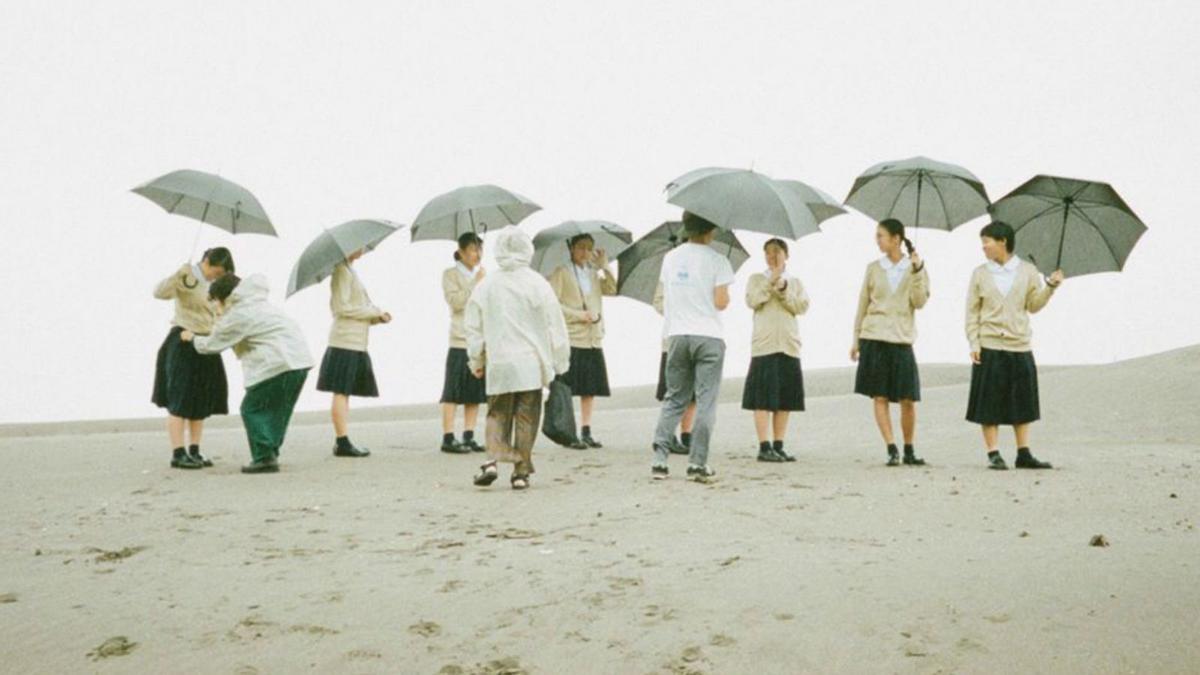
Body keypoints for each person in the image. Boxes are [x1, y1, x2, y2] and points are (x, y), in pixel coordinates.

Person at [464, 229, 570, 491]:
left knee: (497, 414)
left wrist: (476, 358)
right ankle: (521, 472)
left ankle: (491, 461)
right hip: (530, 363)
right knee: (527, 418)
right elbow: (555, 325)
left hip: (499, 361)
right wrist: (560, 361)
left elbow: (473, 326)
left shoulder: (486, 284)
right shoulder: (538, 283)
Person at [183, 274, 314, 474]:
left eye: (215, 301)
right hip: (299, 361)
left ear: (223, 298)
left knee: (251, 409)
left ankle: (264, 457)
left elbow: (211, 345)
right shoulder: (256, 303)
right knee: (278, 411)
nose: (214, 307)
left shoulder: (239, 313)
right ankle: (270, 452)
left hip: (279, 363)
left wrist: (192, 338)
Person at [964, 221, 1064, 470]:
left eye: (986, 242)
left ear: (1002, 241)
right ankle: (993, 453)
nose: (983, 247)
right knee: (989, 403)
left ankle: (1023, 453)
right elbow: (971, 312)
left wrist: (1050, 287)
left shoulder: (1028, 271)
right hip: (989, 345)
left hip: (1019, 344)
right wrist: (974, 343)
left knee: (1022, 402)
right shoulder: (980, 273)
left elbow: (1033, 306)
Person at [651, 211, 735, 483]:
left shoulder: (670, 258)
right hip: (708, 335)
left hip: (677, 334)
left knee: (674, 398)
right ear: (710, 230)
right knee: (706, 401)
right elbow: (721, 302)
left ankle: (660, 460)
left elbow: (669, 293)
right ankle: (697, 463)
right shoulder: (719, 260)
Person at [850, 219, 930, 467]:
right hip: (874, 336)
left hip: (901, 338)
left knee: (908, 399)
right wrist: (856, 339)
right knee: (880, 396)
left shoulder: (915, 267)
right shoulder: (873, 268)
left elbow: (919, 301)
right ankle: (891, 447)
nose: (878, 240)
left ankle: (909, 448)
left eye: (881, 236)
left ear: (896, 239)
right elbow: (863, 303)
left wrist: (917, 271)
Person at [151, 247, 235, 470]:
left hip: (206, 343)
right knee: (179, 399)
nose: (215, 276)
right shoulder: (186, 276)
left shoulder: (215, 285)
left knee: (200, 401)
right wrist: (178, 275)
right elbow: (159, 293)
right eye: (214, 271)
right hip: (183, 339)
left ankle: (195, 450)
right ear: (206, 261)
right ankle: (178, 453)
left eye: (220, 274)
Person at [316, 248, 390, 459]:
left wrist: (377, 318)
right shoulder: (341, 270)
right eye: (360, 246)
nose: (363, 249)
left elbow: (355, 308)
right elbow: (342, 308)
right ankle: (342, 441)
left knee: (344, 391)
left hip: (355, 341)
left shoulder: (349, 270)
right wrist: (375, 312)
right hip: (345, 341)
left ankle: (343, 439)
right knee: (341, 390)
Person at [742, 238, 809, 463]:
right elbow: (752, 300)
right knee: (762, 398)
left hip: (788, 344)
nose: (772, 256)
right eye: (768, 252)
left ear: (786, 255)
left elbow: (802, 306)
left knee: (785, 399)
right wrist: (771, 283)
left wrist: (784, 289)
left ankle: (779, 444)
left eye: (777, 252)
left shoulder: (795, 281)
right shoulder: (756, 279)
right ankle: (764, 445)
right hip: (764, 345)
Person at [548, 233, 618, 449]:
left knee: (589, 388)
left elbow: (613, 289)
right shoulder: (561, 272)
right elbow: (553, 303)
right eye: (581, 248)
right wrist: (578, 315)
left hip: (593, 337)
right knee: (567, 386)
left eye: (589, 248)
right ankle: (568, 431)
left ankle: (586, 430)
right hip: (571, 337)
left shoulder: (593, 273)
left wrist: (605, 267)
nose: (585, 252)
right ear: (571, 248)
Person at [439, 232, 487, 454]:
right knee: (452, 390)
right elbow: (456, 302)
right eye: (473, 250)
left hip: (478, 339)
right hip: (459, 339)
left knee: (474, 391)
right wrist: (475, 284)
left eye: (480, 250)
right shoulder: (450, 274)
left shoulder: (482, 275)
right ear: (460, 252)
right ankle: (448, 437)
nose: (477, 254)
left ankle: (469, 435)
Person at [654, 281, 695, 455]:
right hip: (672, 340)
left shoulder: (699, 274)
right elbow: (658, 303)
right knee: (672, 391)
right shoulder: (666, 278)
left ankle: (687, 434)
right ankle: (669, 434)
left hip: (695, 338)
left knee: (692, 393)